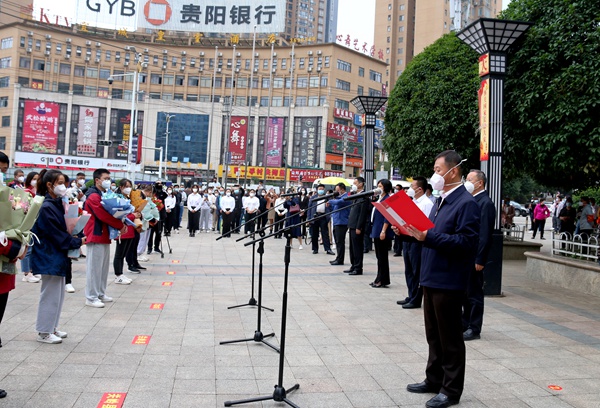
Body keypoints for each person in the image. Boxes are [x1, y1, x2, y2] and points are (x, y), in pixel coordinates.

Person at [395, 150, 479, 408]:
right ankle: (433, 379)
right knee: (434, 335)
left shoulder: (466, 203)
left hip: (449, 280)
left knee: (450, 338)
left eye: (438, 170)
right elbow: (428, 234)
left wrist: (426, 237)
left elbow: (466, 242)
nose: (435, 175)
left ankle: (451, 390)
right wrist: (407, 232)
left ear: (453, 171)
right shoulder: (442, 201)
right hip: (431, 277)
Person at [32, 169, 85, 342]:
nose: (64, 186)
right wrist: (76, 242)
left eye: (64, 183)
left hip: (57, 254)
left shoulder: (57, 203)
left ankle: (52, 327)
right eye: (60, 183)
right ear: (49, 185)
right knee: (50, 294)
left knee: (58, 295)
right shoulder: (47, 206)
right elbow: (55, 234)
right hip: (49, 254)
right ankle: (44, 331)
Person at [83, 168, 128, 308]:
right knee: (94, 268)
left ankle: (100, 293)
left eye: (109, 178)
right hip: (95, 234)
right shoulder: (93, 196)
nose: (109, 181)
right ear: (97, 180)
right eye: (106, 178)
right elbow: (102, 214)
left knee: (102, 268)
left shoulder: (104, 194)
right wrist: (119, 224)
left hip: (103, 234)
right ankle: (91, 297)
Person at [462, 170, 495, 341]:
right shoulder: (472, 200)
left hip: (475, 256)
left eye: (469, 179)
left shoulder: (486, 203)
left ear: (480, 183)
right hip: (465, 256)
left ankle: (474, 328)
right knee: (465, 292)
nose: (466, 182)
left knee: (474, 294)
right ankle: (465, 322)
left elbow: (485, 234)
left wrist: (480, 258)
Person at [398, 176, 434, 309]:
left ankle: (416, 299)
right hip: (407, 238)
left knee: (416, 270)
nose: (409, 189)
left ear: (419, 189)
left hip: (418, 241)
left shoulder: (427, 204)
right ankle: (411, 294)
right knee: (409, 270)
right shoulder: (412, 202)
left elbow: (427, 225)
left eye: (412, 187)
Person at [369, 179, 394, 288]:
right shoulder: (380, 198)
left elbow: (387, 217)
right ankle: (380, 278)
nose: (378, 188)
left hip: (382, 231)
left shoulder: (388, 199)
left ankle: (382, 279)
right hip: (376, 229)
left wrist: (383, 231)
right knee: (379, 257)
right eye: (378, 185)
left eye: (380, 186)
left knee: (382, 257)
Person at [112, 179, 136, 284]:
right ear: (121, 187)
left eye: (130, 186)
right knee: (119, 253)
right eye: (126, 186)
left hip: (129, 229)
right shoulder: (117, 198)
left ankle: (121, 273)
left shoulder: (127, 198)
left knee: (124, 253)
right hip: (122, 229)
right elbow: (119, 214)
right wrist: (132, 215)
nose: (128, 188)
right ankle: (118, 275)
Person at [345, 177, 371, 275]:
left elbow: (362, 214)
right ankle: (353, 265)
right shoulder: (356, 195)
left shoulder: (364, 197)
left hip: (357, 226)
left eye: (355, 183)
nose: (354, 185)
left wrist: (359, 227)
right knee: (352, 247)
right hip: (352, 224)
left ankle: (358, 267)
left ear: (360, 184)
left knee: (357, 248)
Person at [20, 171, 41, 283]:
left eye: (37, 179)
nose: (35, 181)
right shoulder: (27, 192)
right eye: (34, 178)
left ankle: (31, 271)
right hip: (27, 223)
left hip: (34, 223)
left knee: (32, 248)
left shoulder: (36, 192)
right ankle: (26, 273)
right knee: (27, 248)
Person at [328, 183, 351, 266]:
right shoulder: (338, 198)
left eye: (337, 190)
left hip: (342, 222)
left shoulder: (346, 197)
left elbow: (339, 202)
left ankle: (340, 259)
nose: (336, 192)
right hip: (336, 221)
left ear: (342, 189)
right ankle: (338, 258)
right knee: (337, 241)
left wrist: (330, 201)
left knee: (340, 242)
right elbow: (334, 207)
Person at [307, 184, 334, 255]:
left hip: (323, 217)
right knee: (314, 234)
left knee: (325, 233)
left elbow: (330, 207)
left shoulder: (327, 197)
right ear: (317, 189)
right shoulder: (313, 198)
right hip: (315, 216)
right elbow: (309, 209)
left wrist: (329, 215)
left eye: (322, 189)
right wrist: (309, 219)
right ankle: (315, 249)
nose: (321, 190)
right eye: (320, 189)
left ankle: (328, 249)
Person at [147, 181, 166, 254]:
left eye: (160, 183)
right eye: (158, 184)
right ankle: (149, 248)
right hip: (151, 215)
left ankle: (157, 247)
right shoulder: (152, 193)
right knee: (150, 233)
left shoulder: (163, 192)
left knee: (159, 232)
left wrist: (163, 186)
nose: (159, 185)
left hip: (160, 214)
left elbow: (166, 194)